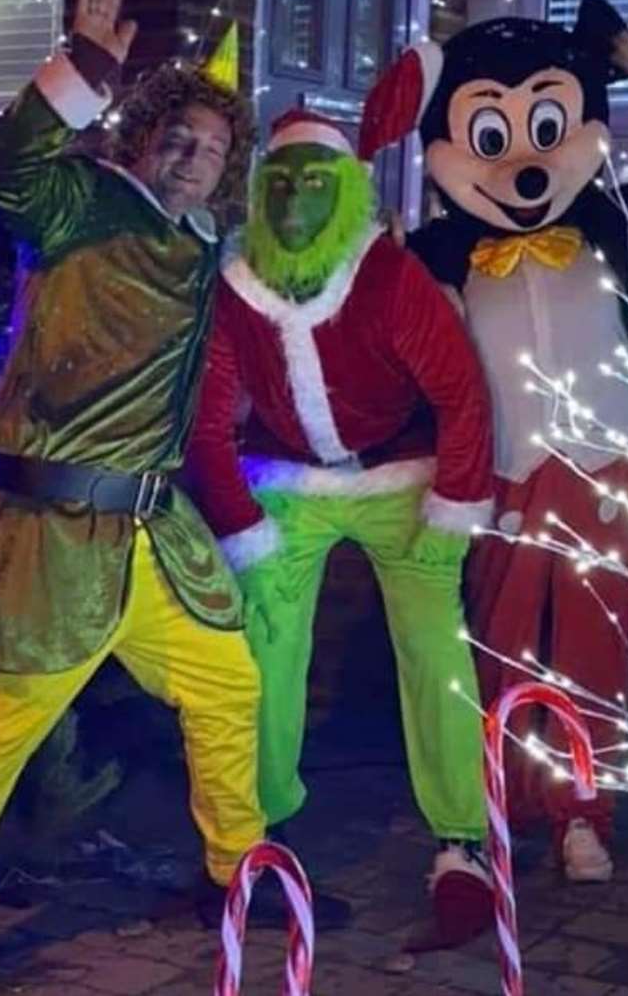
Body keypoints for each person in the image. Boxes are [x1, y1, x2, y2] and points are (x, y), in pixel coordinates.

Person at [0, 0, 265, 994]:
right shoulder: (79, 203)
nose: (194, 160)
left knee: (226, 684)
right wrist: (86, 66)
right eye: (178, 138)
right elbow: (8, 170)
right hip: (52, 533)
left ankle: (236, 871)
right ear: (139, 136)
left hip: (156, 539)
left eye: (213, 148)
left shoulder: (205, 248)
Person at [359, 0, 628, 884]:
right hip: (502, 477)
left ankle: (581, 813)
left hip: (608, 466)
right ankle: (493, 806)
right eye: (492, 135)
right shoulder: (438, 251)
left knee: (596, 648)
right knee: (500, 644)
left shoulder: (615, 223)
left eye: (547, 127)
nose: (524, 163)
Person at [187, 110, 497, 950]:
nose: (294, 199)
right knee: (264, 640)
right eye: (279, 183)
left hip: (405, 477)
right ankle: (257, 828)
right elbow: (209, 422)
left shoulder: (390, 278)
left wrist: (455, 505)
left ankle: (461, 839)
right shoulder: (235, 289)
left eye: (314, 183)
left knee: (435, 643)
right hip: (288, 480)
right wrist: (241, 522)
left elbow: (460, 395)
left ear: (350, 190)